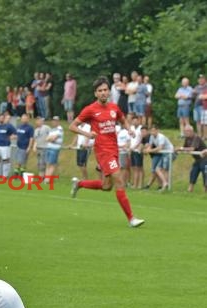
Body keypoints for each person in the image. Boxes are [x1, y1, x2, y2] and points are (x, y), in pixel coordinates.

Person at [69, 76, 144, 228]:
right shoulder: (90, 110)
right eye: (100, 91)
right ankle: (131, 218)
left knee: (106, 186)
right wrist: (87, 135)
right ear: (95, 93)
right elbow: (72, 126)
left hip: (114, 149)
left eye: (105, 90)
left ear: (109, 91)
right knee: (119, 179)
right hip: (103, 151)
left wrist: (129, 129)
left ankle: (80, 184)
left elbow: (123, 120)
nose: (103, 93)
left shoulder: (113, 108)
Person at [144, 126, 174, 192]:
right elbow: (150, 145)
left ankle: (166, 185)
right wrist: (147, 150)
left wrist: (150, 150)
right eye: (151, 131)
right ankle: (165, 183)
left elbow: (160, 148)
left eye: (154, 131)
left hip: (169, 153)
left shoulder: (161, 137)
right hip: (164, 154)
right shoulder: (152, 137)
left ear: (157, 130)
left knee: (164, 169)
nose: (152, 132)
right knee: (157, 169)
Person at [177, 125, 207, 192]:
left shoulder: (196, 137)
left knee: (205, 174)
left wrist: (181, 148)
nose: (185, 133)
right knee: (193, 172)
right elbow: (185, 147)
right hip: (197, 159)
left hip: (205, 159)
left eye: (187, 131)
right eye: (185, 131)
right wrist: (178, 150)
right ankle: (190, 190)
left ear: (191, 131)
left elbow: (192, 148)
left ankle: (205, 191)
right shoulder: (187, 138)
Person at [44, 116, 63, 182]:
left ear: (58, 121)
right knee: (48, 163)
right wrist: (50, 138)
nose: (54, 122)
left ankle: (47, 179)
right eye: (53, 120)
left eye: (55, 120)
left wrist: (50, 138)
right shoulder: (52, 129)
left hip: (54, 148)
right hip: (49, 147)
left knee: (52, 164)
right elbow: (47, 139)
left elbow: (53, 138)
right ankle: (46, 178)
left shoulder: (59, 128)